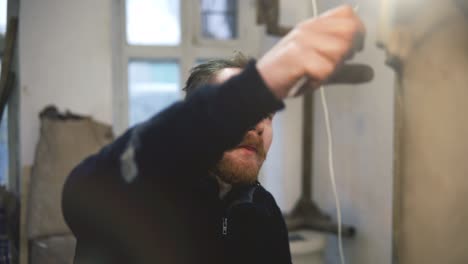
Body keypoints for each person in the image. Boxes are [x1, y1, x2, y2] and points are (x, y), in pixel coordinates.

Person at [61, 5, 365, 264]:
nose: (258, 125)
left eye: (268, 115)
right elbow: (82, 191)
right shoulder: (139, 197)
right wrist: (264, 81)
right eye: (240, 109)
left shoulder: (263, 210)